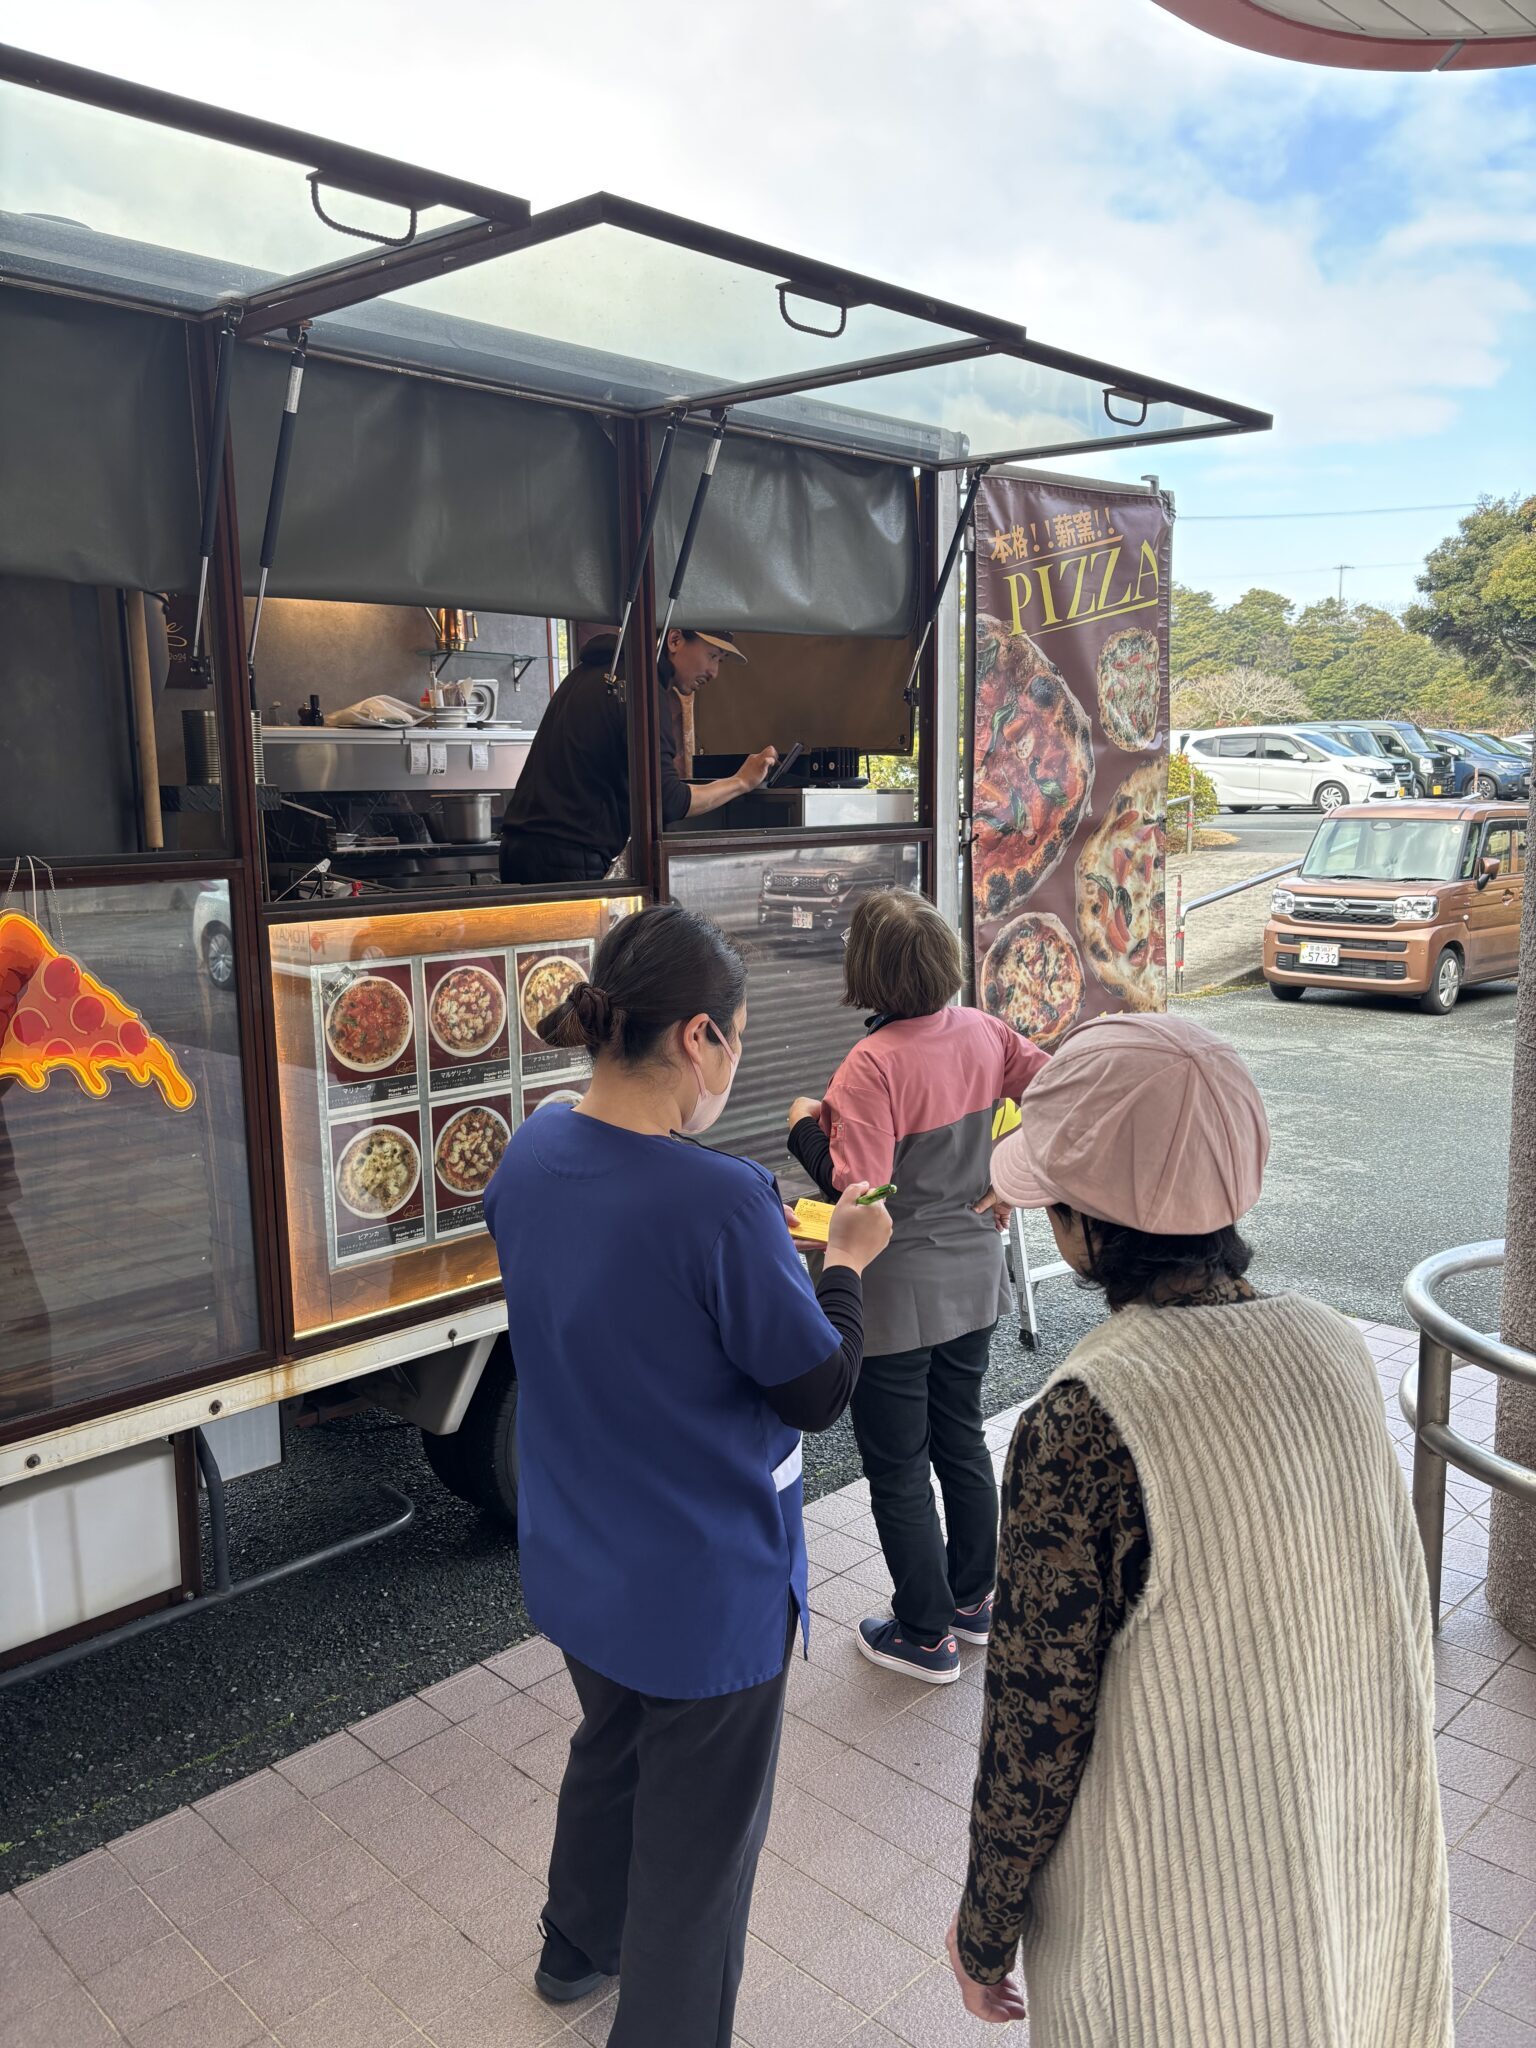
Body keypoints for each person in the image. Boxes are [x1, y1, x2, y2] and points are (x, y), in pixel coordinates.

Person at [947, 1012, 1452, 2047]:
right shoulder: (1336, 1349)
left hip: (1177, 1945)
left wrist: (983, 1932)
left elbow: (1036, 1731)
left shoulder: (1083, 1418)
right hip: (1352, 1880)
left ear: (1085, 1224)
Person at [482, 903, 891, 2048]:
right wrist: (846, 1265)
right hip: (703, 1589)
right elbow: (816, 1387)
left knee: (608, 1748)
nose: (736, 1062)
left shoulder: (532, 1147)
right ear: (698, 1036)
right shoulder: (722, 1201)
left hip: (580, 1557)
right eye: (740, 1039)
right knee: (699, 1857)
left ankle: (574, 1947)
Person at [785, 888, 1049, 1685]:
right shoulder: (986, 1032)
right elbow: (1066, 1093)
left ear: (865, 970)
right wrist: (1014, 1176)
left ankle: (924, 1633)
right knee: (960, 1438)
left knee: (899, 1465)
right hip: (975, 1280)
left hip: (894, 1297)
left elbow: (861, 1192)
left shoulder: (871, 1064)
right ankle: (975, 1600)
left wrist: (804, 1130)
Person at [498, 628, 779, 884]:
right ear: (675, 640)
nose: (714, 672)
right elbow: (667, 800)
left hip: (518, 849)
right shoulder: (641, 688)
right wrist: (742, 781)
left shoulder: (590, 673)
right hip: (566, 858)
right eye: (712, 656)